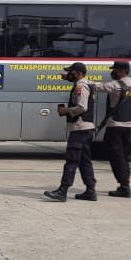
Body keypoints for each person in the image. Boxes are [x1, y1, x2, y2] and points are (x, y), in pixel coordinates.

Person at [84, 60, 131, 198]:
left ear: (122, 71)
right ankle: (125, 184)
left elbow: (96, 86)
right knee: (124, 157)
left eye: (115, 70)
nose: (113, 72)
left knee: (116, 158)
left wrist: (82, 79)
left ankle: (124, 187)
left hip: (115, 127)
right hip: (129, 127)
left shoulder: (114, 85)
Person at [44, 62, 97, 202]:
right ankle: (90, 190)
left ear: (78, 73)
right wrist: (65, 76)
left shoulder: (81, 86)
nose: (69, 74)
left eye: (71, 72)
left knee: (72, 161)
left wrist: (65, 111)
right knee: (85, 161)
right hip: (86, 129)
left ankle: (63, 191)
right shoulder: (86, 83)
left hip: (79, 129)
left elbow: (82, 107)